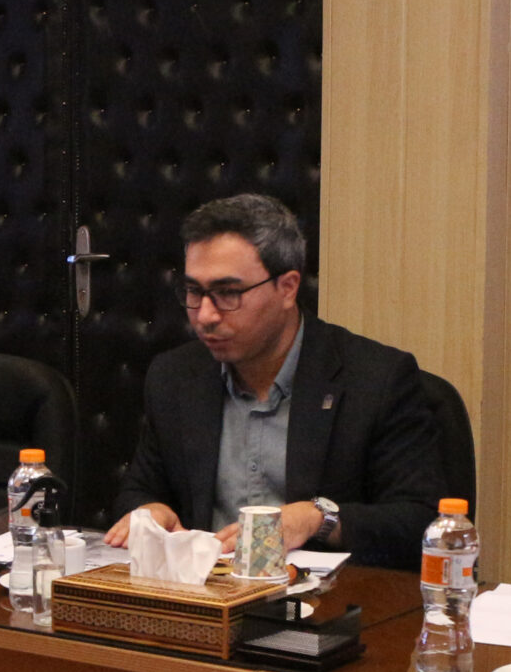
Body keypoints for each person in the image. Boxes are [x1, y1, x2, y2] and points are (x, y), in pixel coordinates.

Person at [104, 193, 445, 570]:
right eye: (194, 292)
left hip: (323, 598)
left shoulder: (375, 379)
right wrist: (150, 511)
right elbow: (140, 489)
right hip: (208, 594)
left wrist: (316, 519)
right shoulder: (175, 376)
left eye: (228, 293)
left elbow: (422, 522)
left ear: (288, 288)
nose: (205, 316)